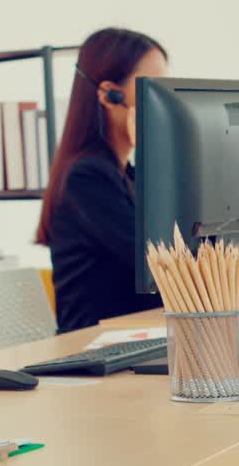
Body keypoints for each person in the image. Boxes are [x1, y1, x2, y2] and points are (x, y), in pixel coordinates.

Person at [37, 27, 169, 332]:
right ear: (110, 95)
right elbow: (158, 264)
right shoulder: (86, 178)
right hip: (96, 348)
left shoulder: (127, 174)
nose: (166, 100)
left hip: (140, 338)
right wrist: (156, 154)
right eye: (155, 87)